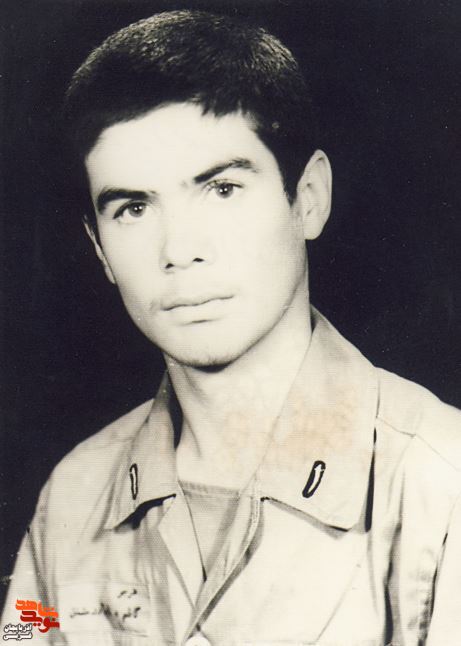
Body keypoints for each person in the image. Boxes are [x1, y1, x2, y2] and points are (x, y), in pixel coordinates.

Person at [2, 9, 461, 645]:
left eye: (221, 189)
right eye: (133, 208)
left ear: (308, 198)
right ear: (99, 247)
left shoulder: (442, 482)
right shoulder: (72, 497)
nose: (179, 250)